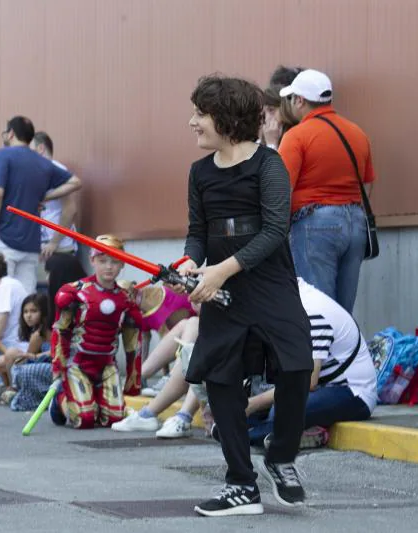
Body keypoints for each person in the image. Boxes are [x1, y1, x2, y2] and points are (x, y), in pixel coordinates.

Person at [178, 75, 313, 517]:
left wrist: (220, 271)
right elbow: (199, 233)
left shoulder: (269, 165)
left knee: (296, 364)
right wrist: (188, 262)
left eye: (201, 114)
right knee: (220, 380)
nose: (193, 122)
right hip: (221, 291)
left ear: (226, 119)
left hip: (270, 284)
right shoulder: (199, 172)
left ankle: (281, 456)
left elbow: (275, 231)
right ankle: (241, 484)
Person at [219, 278, 377, 447]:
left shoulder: (311, 312)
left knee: (280, 411)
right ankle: (295, 432)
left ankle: (258, 436)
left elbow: (307, 382)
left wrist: (252, 404)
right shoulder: (289, 305)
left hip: (353, 394)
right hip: (321, 388)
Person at [278, 69, 377, 312]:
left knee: (317, 310)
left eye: (291, 99)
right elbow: (368, 182)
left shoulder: (296, 136)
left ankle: (320, 352)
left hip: (314, 226)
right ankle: (344, 351)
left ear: (299, 100)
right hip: (355, 224)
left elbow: (281, 189)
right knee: (343, 313)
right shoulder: (357, 133)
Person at [48, 235, 144, 429]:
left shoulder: (126, 298)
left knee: (114, 419)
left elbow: (132, 340)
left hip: (107, 364)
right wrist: (58, 367)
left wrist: (133, 379)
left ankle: (97, 401)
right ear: (92, 261)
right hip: (78, 364)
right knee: (84, 419)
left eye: (115, 261)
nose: (109, 266)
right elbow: (61, 331)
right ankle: (60, 402)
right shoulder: (75, 292)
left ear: (122, 264)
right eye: (102, 261)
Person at [0, 117, 82, 294]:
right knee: (25, 299)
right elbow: (75, 182)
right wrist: (47, 195)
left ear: (11, 133)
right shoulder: (43, 163)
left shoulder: (2, 155)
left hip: (3, 239)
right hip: (31, 245)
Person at [30, 131, 80, 256]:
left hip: (59, 247)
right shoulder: (35, 172)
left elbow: (70, 209)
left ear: (40, 148)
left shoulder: (57, 170)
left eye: (29, 149)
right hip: (42, 245)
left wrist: (54, 242)